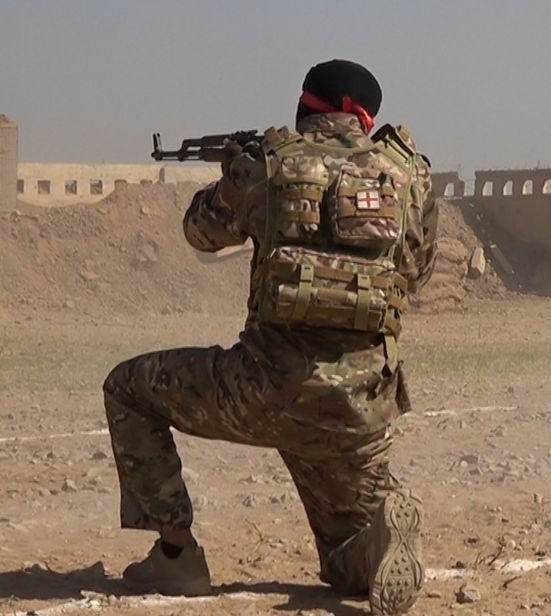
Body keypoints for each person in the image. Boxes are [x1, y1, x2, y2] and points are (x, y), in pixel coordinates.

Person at [103, 59, 438, 614]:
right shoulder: (412, 178)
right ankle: (379, 541)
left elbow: (200, 233)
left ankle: (177, 555)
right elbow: (418, 270)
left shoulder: (267, 166)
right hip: (360, 410)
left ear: (306, 107)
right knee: (345, 563)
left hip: (262, 390)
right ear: (364, 118)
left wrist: (234, 176)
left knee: (128, 388)